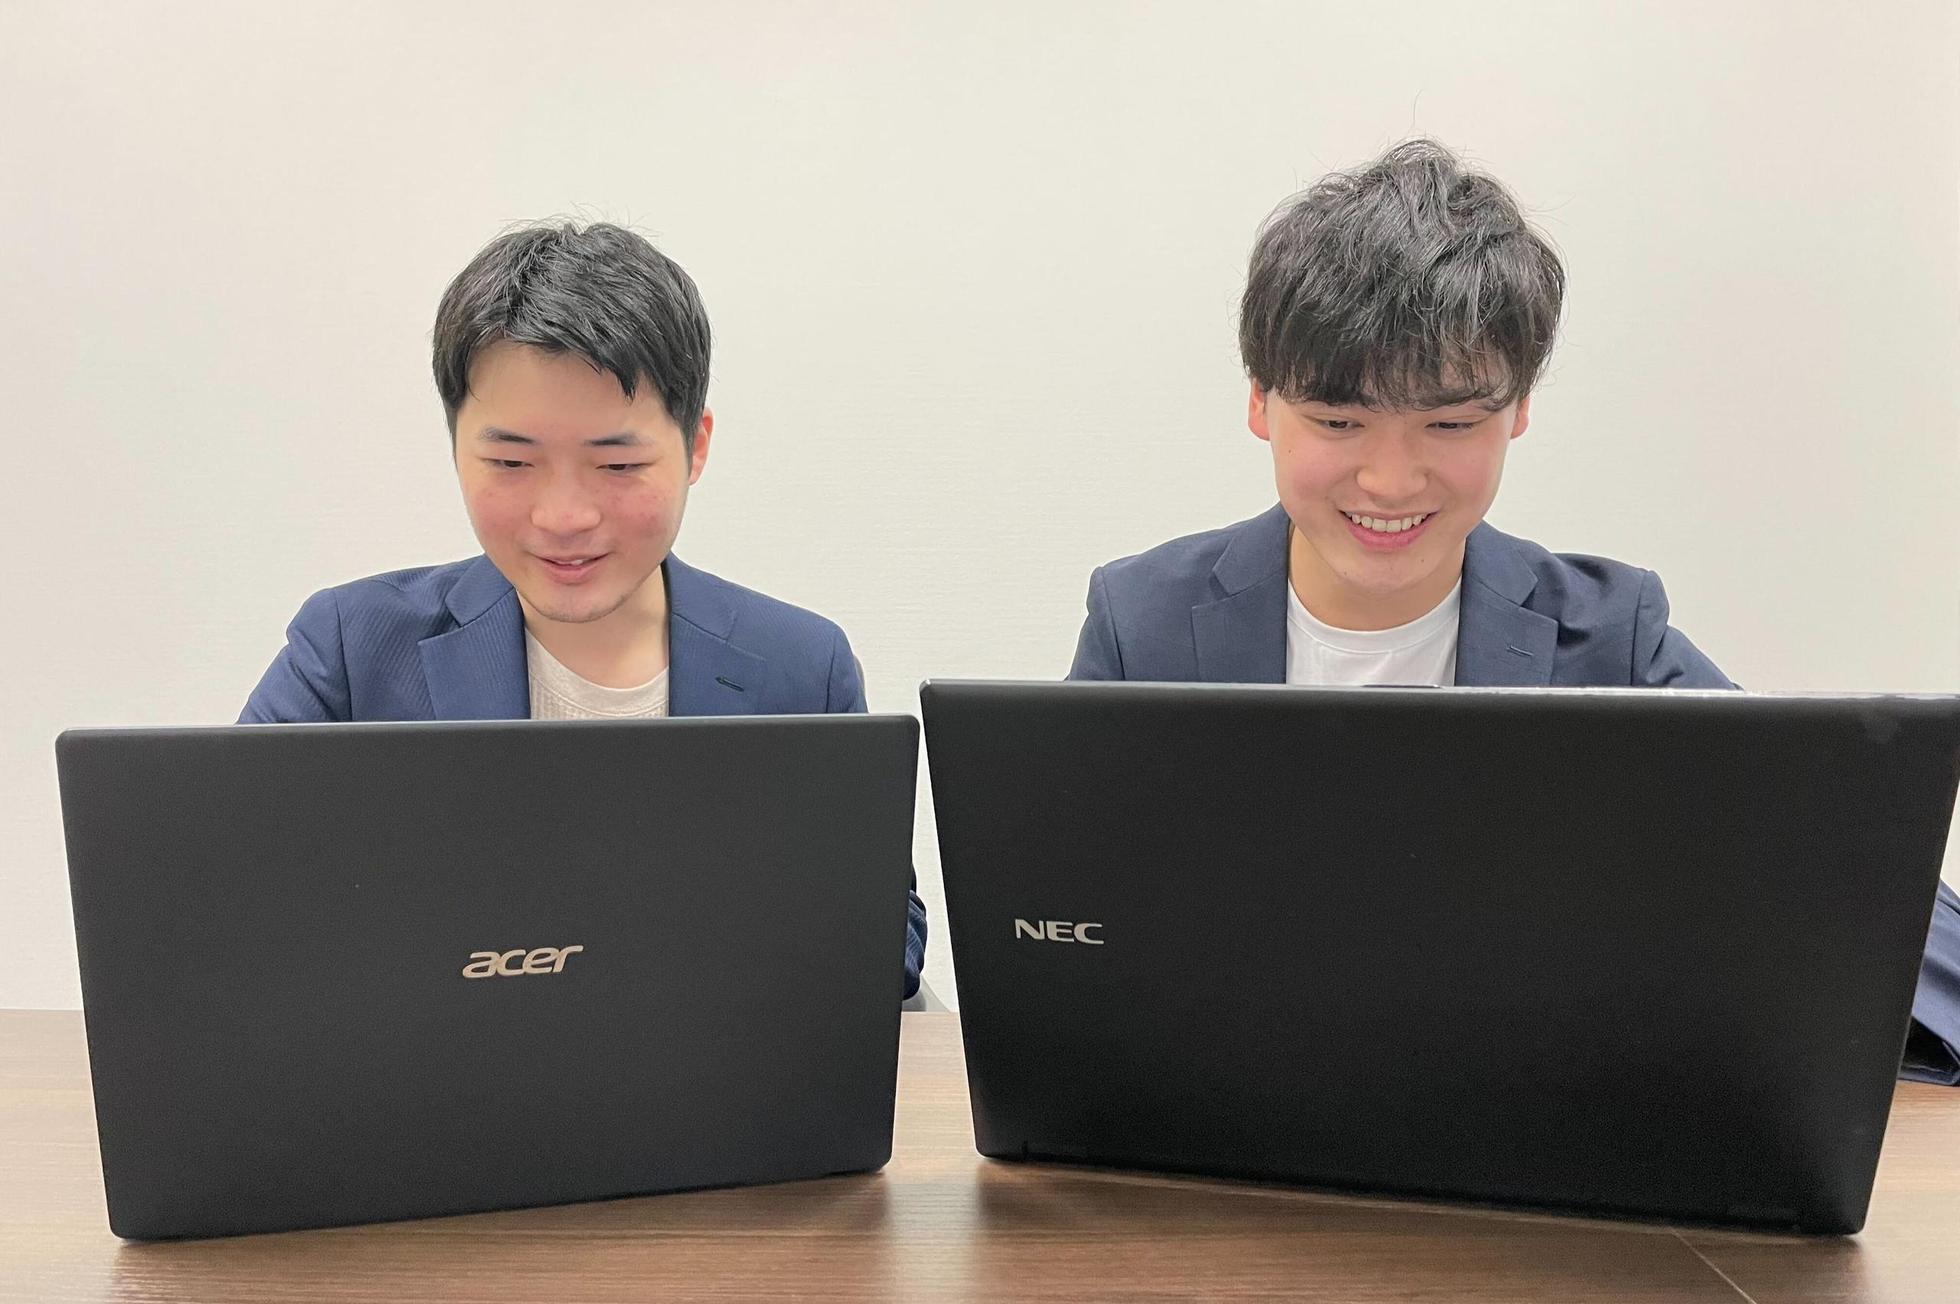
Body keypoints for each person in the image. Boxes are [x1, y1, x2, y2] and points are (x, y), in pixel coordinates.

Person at [1067, 139, 1957, 1082]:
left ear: (1518, 410)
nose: (1390, 479)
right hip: (1224, 1112)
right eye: (1338, 422)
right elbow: (1062, 928)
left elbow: (1850, 869)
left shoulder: (1609, 638)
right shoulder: (1142, 623)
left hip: (1524, 1112)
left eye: (1450, 424)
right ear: (1260, 402)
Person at [243, 221, 926, 998]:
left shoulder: (801, 667)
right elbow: (225, 897)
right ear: (455, 446)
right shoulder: (353, 649)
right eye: (510, 461)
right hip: (429, 1070)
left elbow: (888, 938)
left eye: (618, 464)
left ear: (696, 447)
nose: (563, 516)